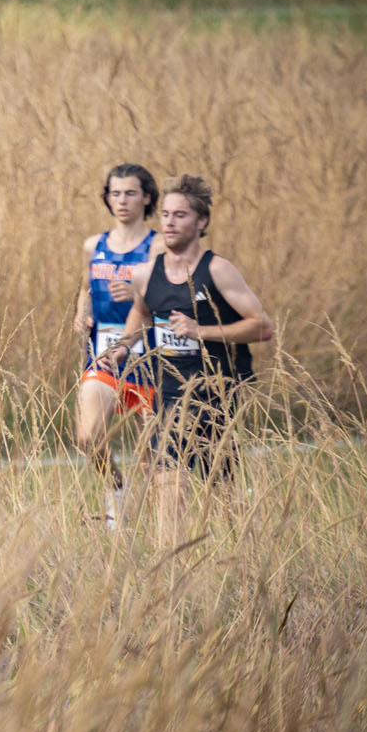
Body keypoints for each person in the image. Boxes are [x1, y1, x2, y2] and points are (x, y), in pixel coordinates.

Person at [102, 175, 273, 541]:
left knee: (222, 489)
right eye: (165, 214)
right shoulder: (147, 273)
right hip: (168, 392)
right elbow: (143, 314)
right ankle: (170, 568)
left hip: (216, 392)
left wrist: (201, 332)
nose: (169, 222)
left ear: (202, 222)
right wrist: (120, 348)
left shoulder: (218, 270)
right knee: (168, 485)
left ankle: (247, 557)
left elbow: (262, 327)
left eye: (180, 215)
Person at [73, 163, 163, 527]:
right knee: (87, 435)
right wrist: (81, 315)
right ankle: (115, 491)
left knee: (152, 452)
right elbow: (84, 288)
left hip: (149, 351)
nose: (122, 200)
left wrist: (140, 293)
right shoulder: (93, 245)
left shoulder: (157, 244)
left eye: (130, 193)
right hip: (104, 351)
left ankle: (159, 523)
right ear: (106, 198)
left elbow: (169, 293)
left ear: (146, 197)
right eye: (115, 193)